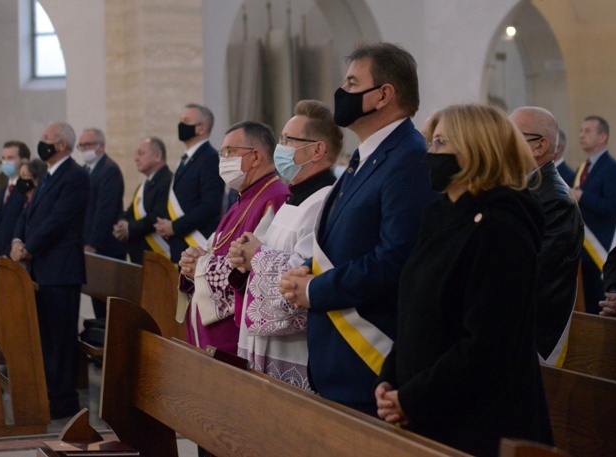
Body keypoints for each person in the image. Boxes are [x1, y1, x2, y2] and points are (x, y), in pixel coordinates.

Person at [375, 104, 553, 457]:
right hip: (427, 407)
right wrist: (390, 377)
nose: (430, 154)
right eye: (430, 143)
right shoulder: (439, 216)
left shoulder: (502, 228)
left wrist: (412, 397)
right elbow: (414, 310)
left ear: (477, 149)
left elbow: (487, 344)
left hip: (479, 421)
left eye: (440, 143)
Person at [279, 42, 436, 415]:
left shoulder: (410, 158)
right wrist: (308, 272)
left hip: (371, 356)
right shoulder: (365, 157)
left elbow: (397, 259)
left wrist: (316, 288)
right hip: (339, 359)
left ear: (383, 95)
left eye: (352, 83)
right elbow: (342, 244)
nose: (342, 93)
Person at [227, 100, 342, 388]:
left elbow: (305, 273)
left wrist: (258, 256)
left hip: (294, 348)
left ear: (317, 150)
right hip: (264, 343)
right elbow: (268, 255)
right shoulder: (294, 199)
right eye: (281, 139)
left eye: (289, 140)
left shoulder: (325, 202)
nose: (280, 148)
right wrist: (244, 258)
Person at [178, 121, 289, 355]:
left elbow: (256, 266)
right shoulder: (241, 200)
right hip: (213, 333)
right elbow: (212, 250)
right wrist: (191, 264)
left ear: (256, 157)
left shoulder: (275, 198)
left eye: (229, 152)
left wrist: (199, 266)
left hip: (234, 333)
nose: (223, 160)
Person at [10, 121, 89, 419]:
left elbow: (59, 220)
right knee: (46, 337)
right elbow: (29, 212)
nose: (41, 142)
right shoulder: (48, 176)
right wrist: (19, 240)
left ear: (62, 145)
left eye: (47, 139)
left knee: (61, 338)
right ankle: (51, 394)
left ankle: (64, 400)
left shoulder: (75, 176)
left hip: (61, 270)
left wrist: (29, 247)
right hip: (42, 269)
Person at [509, 107, 584, 365]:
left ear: (539, 146)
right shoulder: (524, 188)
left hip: (530, 337)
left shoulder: (555, 201)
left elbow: (532, 271)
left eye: (511, 136)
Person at [155, 104, 225, 264]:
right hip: (181, 244)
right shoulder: (187, 159)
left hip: (196, 243)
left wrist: (176, 226)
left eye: (186, 121)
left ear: (201, 128)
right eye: (181, 120)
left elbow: (211, 205)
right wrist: (167, 224)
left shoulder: (209, 158)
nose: (181, 125)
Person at [572, 116, 616, 314]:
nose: (581, 135)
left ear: (602, 137)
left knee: (598, 308)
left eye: (588, 131)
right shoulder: (582, 169)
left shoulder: (611, 168)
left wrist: (583, 196)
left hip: (599, 250)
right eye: (580, 130)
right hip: (582, 251)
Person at [79, 128, 126, 319]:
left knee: (107, 305)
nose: (83, 149)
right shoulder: (84, 171)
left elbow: (104, 212)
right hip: (88, 245)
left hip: (105, 247)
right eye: (81, 146)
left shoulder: (109, 170)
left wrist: (92, 244)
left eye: (87, 145)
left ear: (101, 146)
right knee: (96, 299)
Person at [113, 137, 172, 264]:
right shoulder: (144, 185)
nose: (136, 158)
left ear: (157, 156)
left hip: (158, 257)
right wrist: (122, 223)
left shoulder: (168, 181)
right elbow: (130, 212)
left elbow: (158, 215)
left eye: (141, 153)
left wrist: (130, 228)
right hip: (140, 257)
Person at [0, 141, 31, 266]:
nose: (6, 162)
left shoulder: (27, 190)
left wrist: (8, 252)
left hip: (15, 257)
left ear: (24, 160)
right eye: (3, 158)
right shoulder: (2, 191)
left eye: (10, 158)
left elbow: (23, 223)